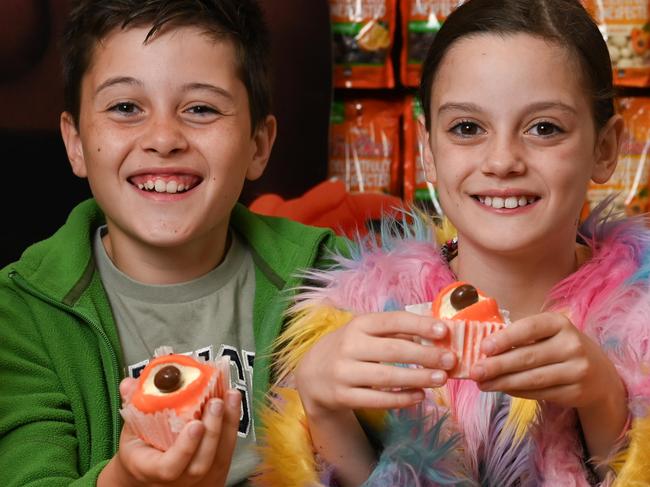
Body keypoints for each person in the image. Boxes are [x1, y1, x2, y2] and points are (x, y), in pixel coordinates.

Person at [253, 0, 650, 485]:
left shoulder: (640, 329)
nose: (502, 160)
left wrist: (603, 398)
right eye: (467, 128)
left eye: (544, 128)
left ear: (605, 150)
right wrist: (323, 406)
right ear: (428, 153)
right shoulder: (363, 321)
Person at [0, 1, 345, 485]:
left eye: (201, 108)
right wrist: (126, 479)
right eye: (125, 108)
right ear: (75, 142)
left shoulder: (330, 276)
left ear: (258, 145)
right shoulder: (21, 312)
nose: (163, 138)